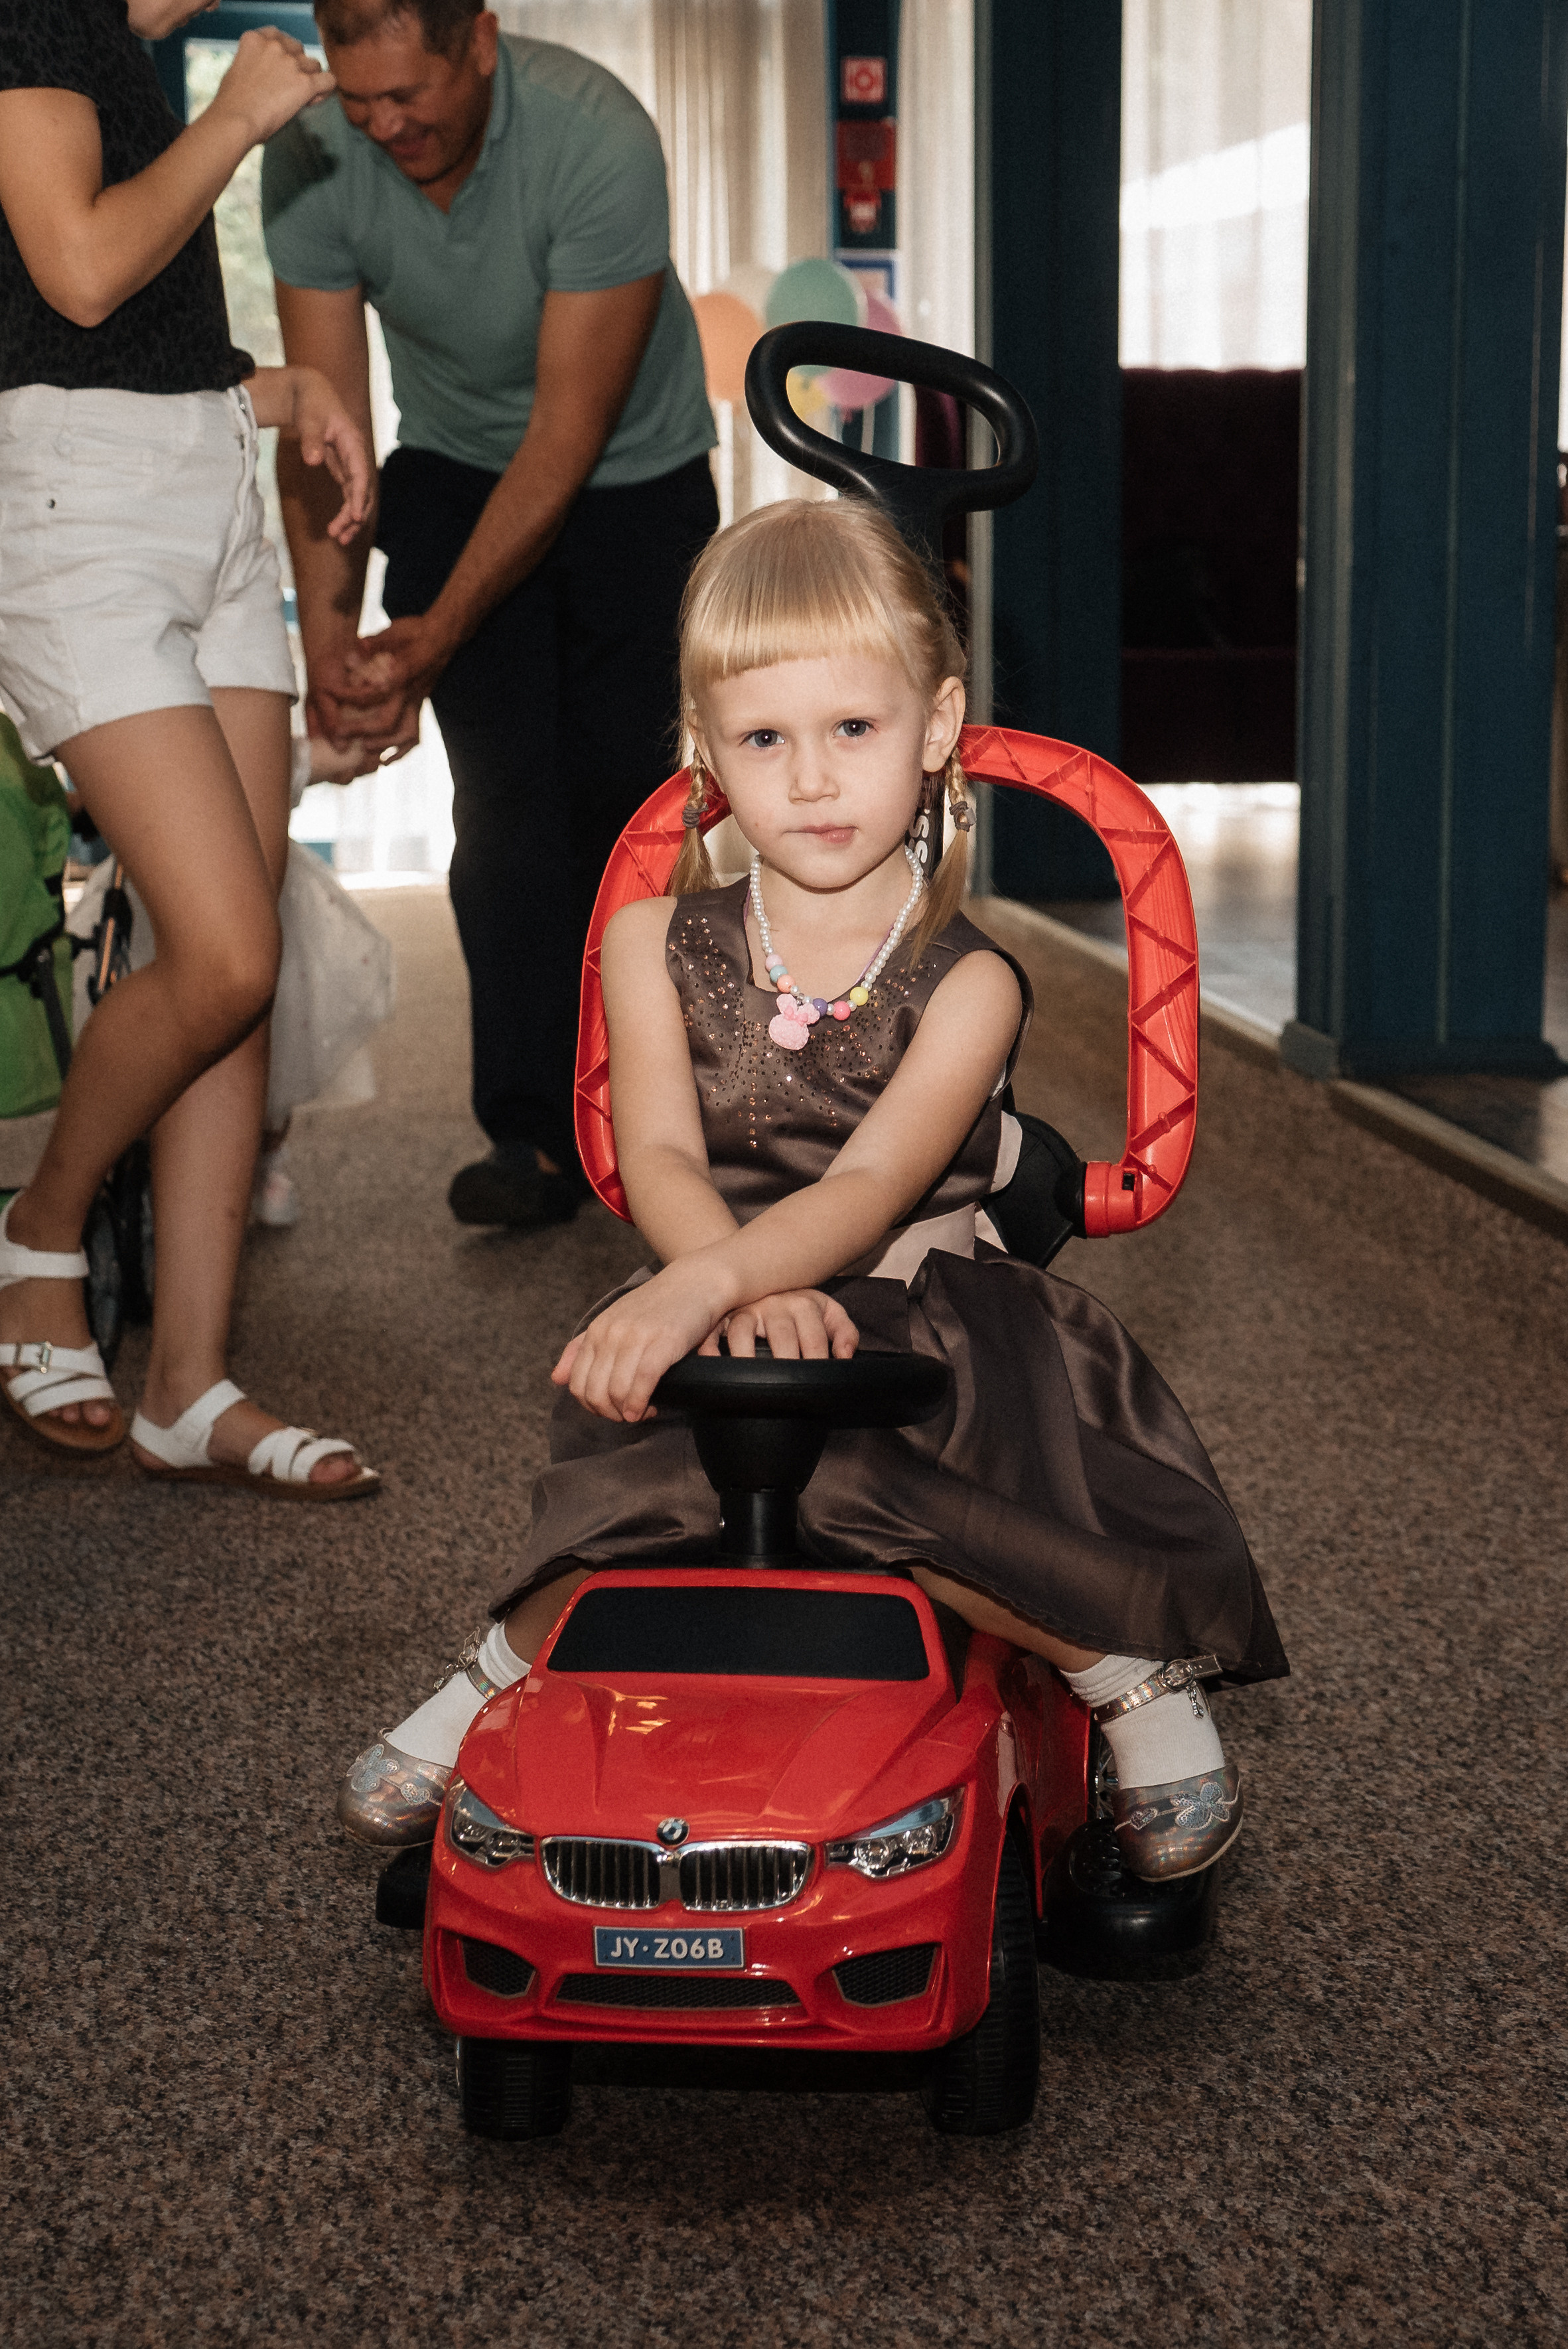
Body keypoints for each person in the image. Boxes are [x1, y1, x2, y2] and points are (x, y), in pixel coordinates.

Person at [336, 498, 1287, 1881]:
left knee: (859, 1476)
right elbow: (659, 1154)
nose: (814, 779)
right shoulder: (652, 941)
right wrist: (714, 1287)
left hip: (927, 1309)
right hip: (712, 1272)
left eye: (855, 729)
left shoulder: (973, 982)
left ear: (940, 723)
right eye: (765, 739)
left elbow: (873, 1181)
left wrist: (720, 1286)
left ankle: (1123, 1669)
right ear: (705, 750)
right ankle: (504, 1666)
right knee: (650, 1475)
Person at [0, 1, 380, 1496]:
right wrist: (239, 120)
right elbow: (79, 274)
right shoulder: (36, 13)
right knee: (223, 952)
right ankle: (39, 1232)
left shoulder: (116, 50)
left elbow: (110, 323)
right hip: (77, 521)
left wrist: (274, 392)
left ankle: (189, 1382)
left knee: (236, 952)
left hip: (205, 489)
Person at [261, 0, 719, 1234]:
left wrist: (439, 628)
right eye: (358, 100)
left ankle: (654, 1123)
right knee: (509, 814)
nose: (383, 124)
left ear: (481, 42)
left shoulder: (596, 138)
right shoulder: (312, 154)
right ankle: (533, 1135)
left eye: (408, 94)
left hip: (631, 474)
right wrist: (331, 643)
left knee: (630, 811)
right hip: (457, 467)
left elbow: (568, 441)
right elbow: (325, 432)